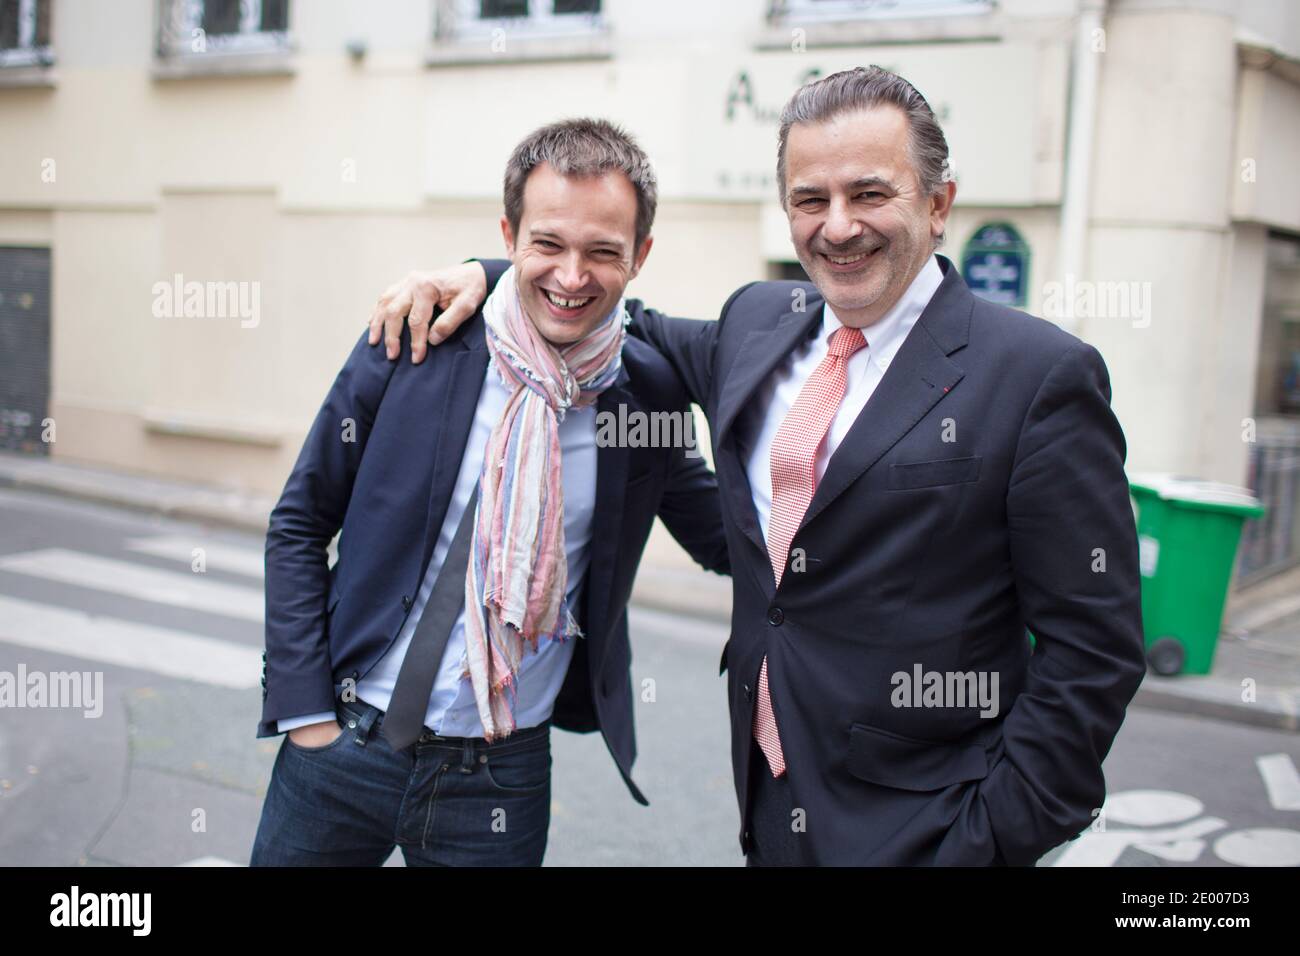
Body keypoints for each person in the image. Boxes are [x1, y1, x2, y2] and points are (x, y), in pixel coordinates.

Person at [368, 66, 1146, 866]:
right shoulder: (757, 322)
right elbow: (607, 306)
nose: (838, 227)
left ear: (939, 203)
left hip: (933, 826)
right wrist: (487, 274)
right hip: (772, 799)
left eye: (869, 194)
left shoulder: (1038, 377)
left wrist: (986, 841)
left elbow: (1095, 654)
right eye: (811, 200)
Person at [252, 118, 729, 866]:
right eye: (548, 244)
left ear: (640, 257)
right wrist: (306, 715)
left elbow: (723, 537)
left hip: (499, 779)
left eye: (603, 251)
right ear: (509, 234)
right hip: (345, 748)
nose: (572, 277)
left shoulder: (645, 396)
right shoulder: (417, 338)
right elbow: (299, 522)